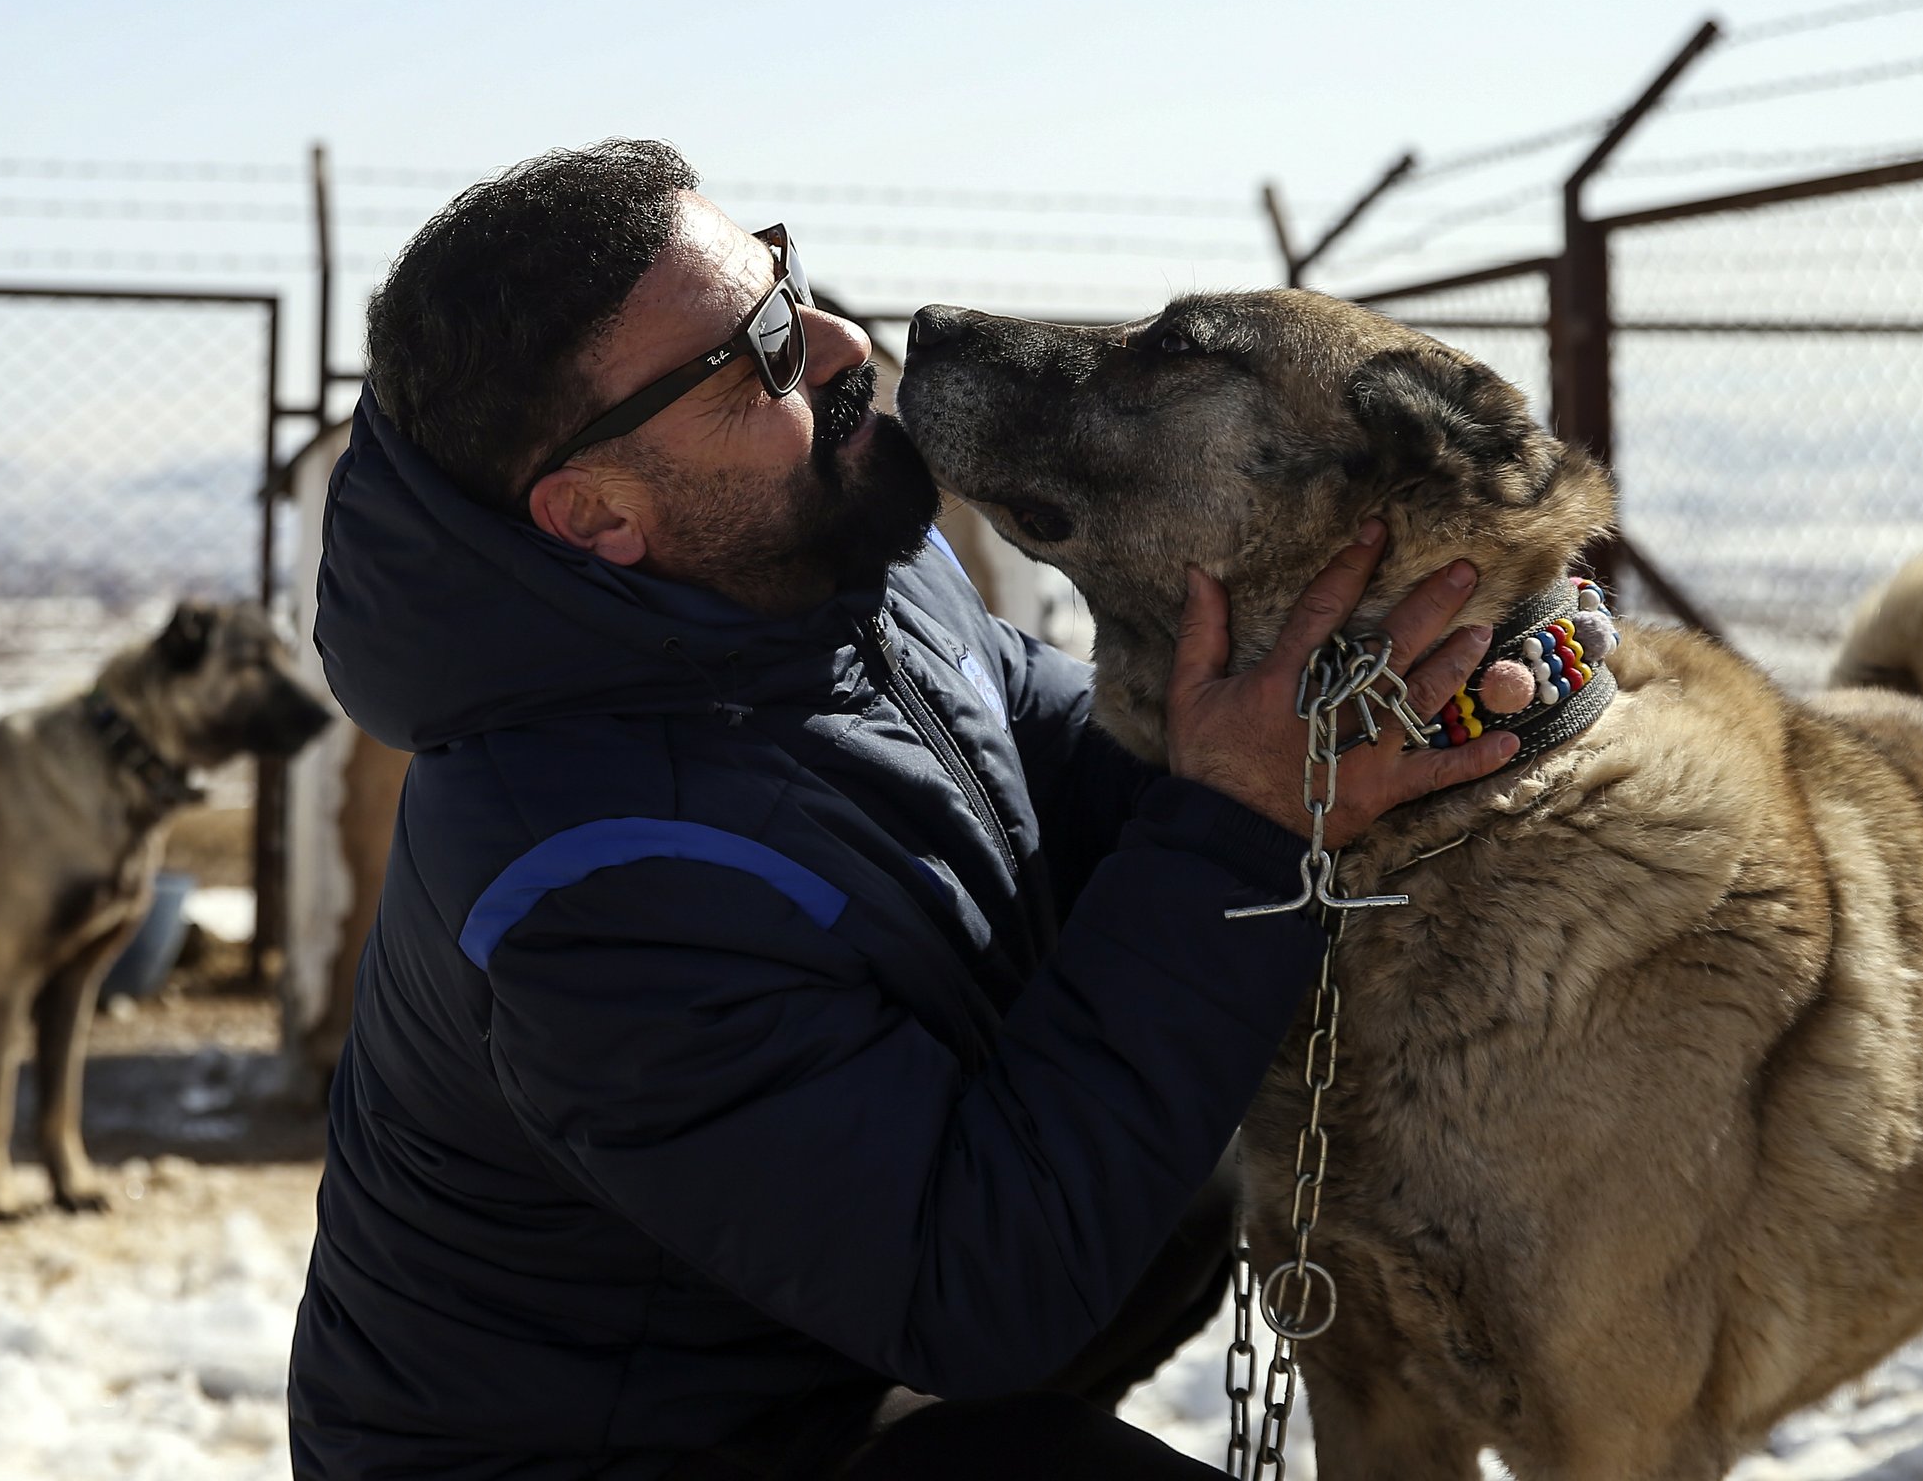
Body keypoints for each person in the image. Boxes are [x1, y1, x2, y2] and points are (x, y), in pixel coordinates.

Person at [286, 140, 1519, 1479]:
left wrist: (1325, 720)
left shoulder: (811, 561)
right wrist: (1238, 822)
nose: (840, 340)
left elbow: (1046, 749)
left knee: (1172, 1155)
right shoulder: (589, 876)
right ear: (598, 514)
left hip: (803, 1366)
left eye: (788, 276)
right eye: (757, 350)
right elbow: (976, 1289)